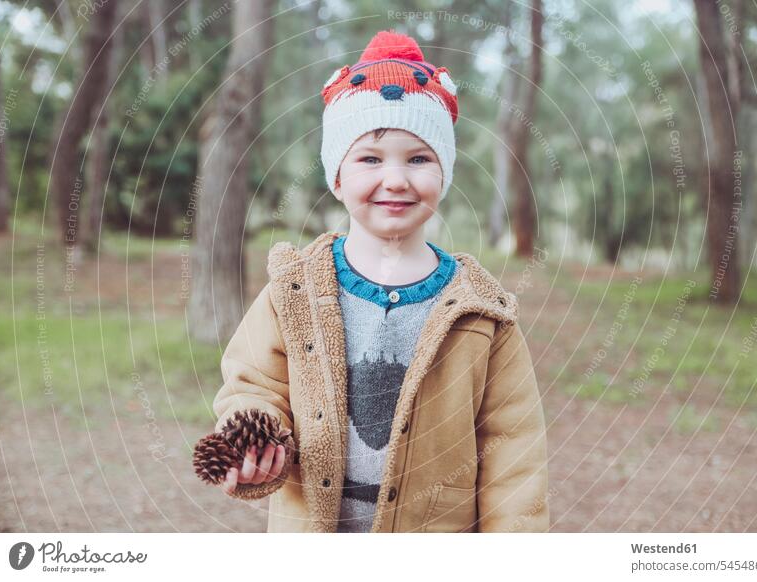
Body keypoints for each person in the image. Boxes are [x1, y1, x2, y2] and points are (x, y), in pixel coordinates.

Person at [211, 30, 549, 533]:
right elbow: (254, 384)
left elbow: (513, 448)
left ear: (444, 174)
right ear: (339, 176)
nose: (395, 179)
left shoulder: (482, 312)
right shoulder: (294, 290)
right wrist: (256, 438)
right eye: (370, 158)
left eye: (418, 158)